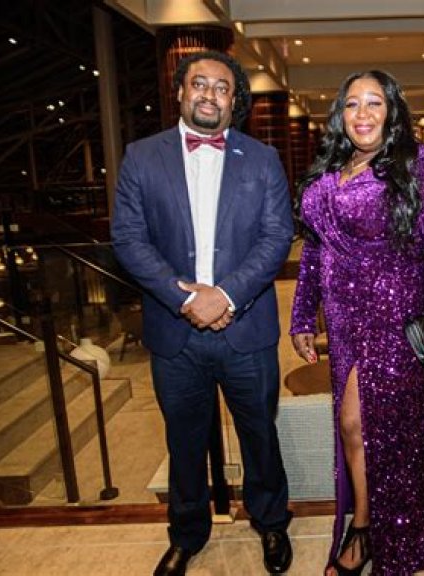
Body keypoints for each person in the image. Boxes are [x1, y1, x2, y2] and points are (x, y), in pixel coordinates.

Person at [111, 50, 294, 576]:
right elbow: (128, 238)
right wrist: (187, 299)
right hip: (175, 333)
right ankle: (187, 535)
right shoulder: (140, 157)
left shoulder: (263, 159)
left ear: (234, 101)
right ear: (180, 91)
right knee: (184, 440)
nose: (209, 95)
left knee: (260, 434)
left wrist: (225, 296)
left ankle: (271, 522)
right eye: (200, 84)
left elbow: (276, 237)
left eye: (221, 87)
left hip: (247, 328)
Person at [290, 70, 424, 575]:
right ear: (340, 114)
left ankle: (375, 529)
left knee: (379, 429)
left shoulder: (420, 164)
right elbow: (315, 252)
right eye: (352, 104)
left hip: (396, 315)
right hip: (343, 322)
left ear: (392, 111)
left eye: (375, 102)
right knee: (355, 427)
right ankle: (373, 524)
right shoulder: (331, 166)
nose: (363, 113)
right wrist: (303, 315)